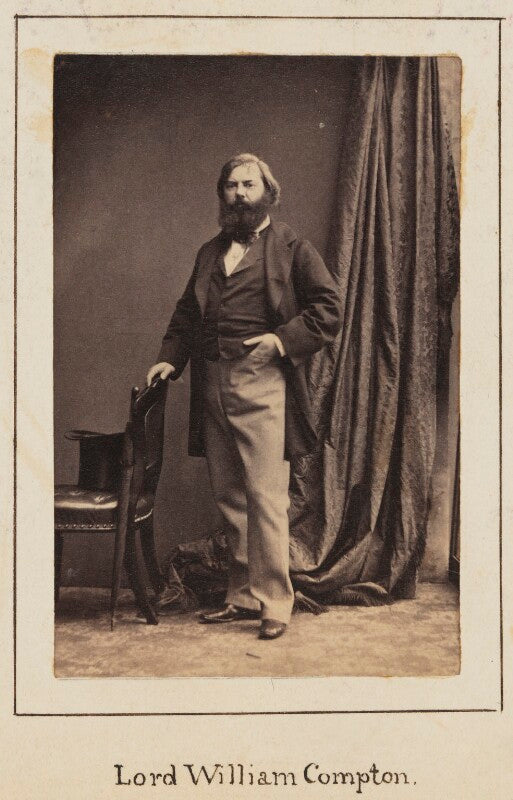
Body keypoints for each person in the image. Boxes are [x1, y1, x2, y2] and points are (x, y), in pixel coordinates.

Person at [147, 153, 342, 639]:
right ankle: (241, 596)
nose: (239, 194)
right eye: (232, 186)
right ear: (223, 194)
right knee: (231, 495)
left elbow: (329, 308)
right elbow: (187, 314)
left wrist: (280, 341)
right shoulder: (209, 252)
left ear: (268, 193)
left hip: (263, 381)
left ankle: (275, 602)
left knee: (266, 496)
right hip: (211, 383)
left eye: (249, 185)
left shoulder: (293, 247)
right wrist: (170, 358)